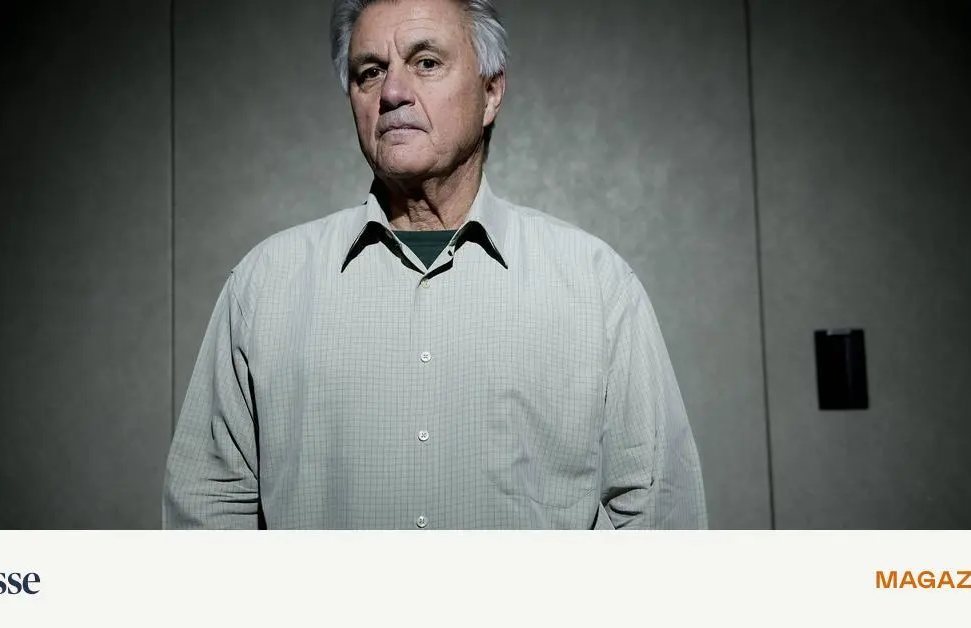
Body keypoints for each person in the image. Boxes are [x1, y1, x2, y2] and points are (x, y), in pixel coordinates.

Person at [162, 0, 707, 529]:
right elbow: (209, 509)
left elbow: (658, 515)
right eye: (370, 72)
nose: (393, 92)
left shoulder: (596, 287)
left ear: (491, 93)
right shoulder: (264, 287)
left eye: (426, 63)